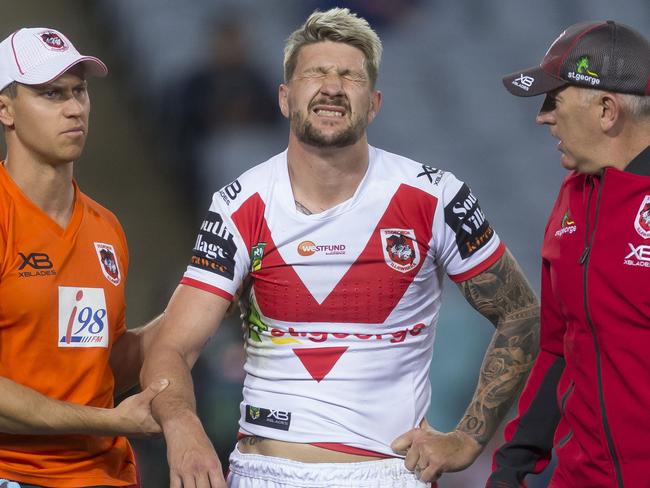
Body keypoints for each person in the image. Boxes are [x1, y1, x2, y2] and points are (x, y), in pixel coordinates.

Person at [142, 8, 539, 488]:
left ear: (374, 104)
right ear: (285, 98)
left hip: (389, 474)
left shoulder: (435, 198)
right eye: (316, 73)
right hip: (264, 473)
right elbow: (173, 346)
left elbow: (520, 313)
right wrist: (183, 427)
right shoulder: (238, 205)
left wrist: (468, 439)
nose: (332, 86)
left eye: (349, 75)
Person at [0, 27, 168, 487]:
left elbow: (102, 366)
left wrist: (202, 303)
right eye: (51, 94)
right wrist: (112, 423)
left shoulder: (106, 228)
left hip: (107, 475)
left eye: (79, 92)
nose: (74, 108)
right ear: (5, 109)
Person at [487, 20, 650, 488]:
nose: (542, 116)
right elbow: (562, 344)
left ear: (606, 109)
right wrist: (514, 460)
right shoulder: (572, 198)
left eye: (553, 99)